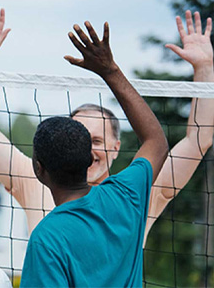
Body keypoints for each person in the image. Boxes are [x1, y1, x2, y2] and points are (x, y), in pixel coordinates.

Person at [0, 6, 214, 240]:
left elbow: (198, 140)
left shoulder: (135, 192)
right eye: (80, 138)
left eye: (96, 140)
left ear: (116, 147)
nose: (87, 149)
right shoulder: (38, 181)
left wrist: (204, 68)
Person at [20, 21, 169, 286]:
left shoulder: (47, 239)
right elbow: (156, 141)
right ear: (89, 159)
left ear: (39, 169)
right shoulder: (126, 196)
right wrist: (109, 71)